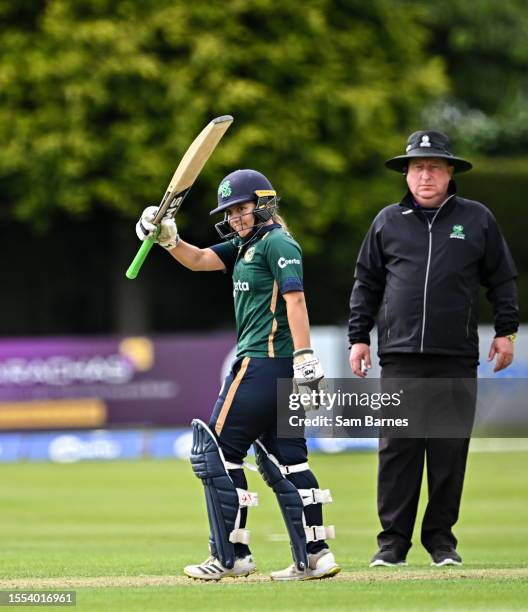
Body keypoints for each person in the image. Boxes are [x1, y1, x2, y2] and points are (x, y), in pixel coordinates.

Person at [136, 169, 340, 581]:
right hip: (274, 367)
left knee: (216, 453)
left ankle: (231, 556)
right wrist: (167, 239)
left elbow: (295, 298)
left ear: (264, 204)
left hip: (262, 362)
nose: (236, 218)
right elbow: (197, 260)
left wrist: (305, 355)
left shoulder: (277, 242)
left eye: (242, 209)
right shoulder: (244, 247)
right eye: (230, 212)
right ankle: (315, 555)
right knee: (288, 460)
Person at [347, 131, 519, 567]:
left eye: (434, 167)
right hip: (400, 356)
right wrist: (358, 337)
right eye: (417, 167)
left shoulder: (477, 219)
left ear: (449, 173)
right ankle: (392, 545)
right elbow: (366, 282)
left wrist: (506, 331)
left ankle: (442, 542)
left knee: (448, 452)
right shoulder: (387, 221)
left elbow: (501, 279)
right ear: (406, 174)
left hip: (455, 355)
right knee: (398, 452)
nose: (426, 175)